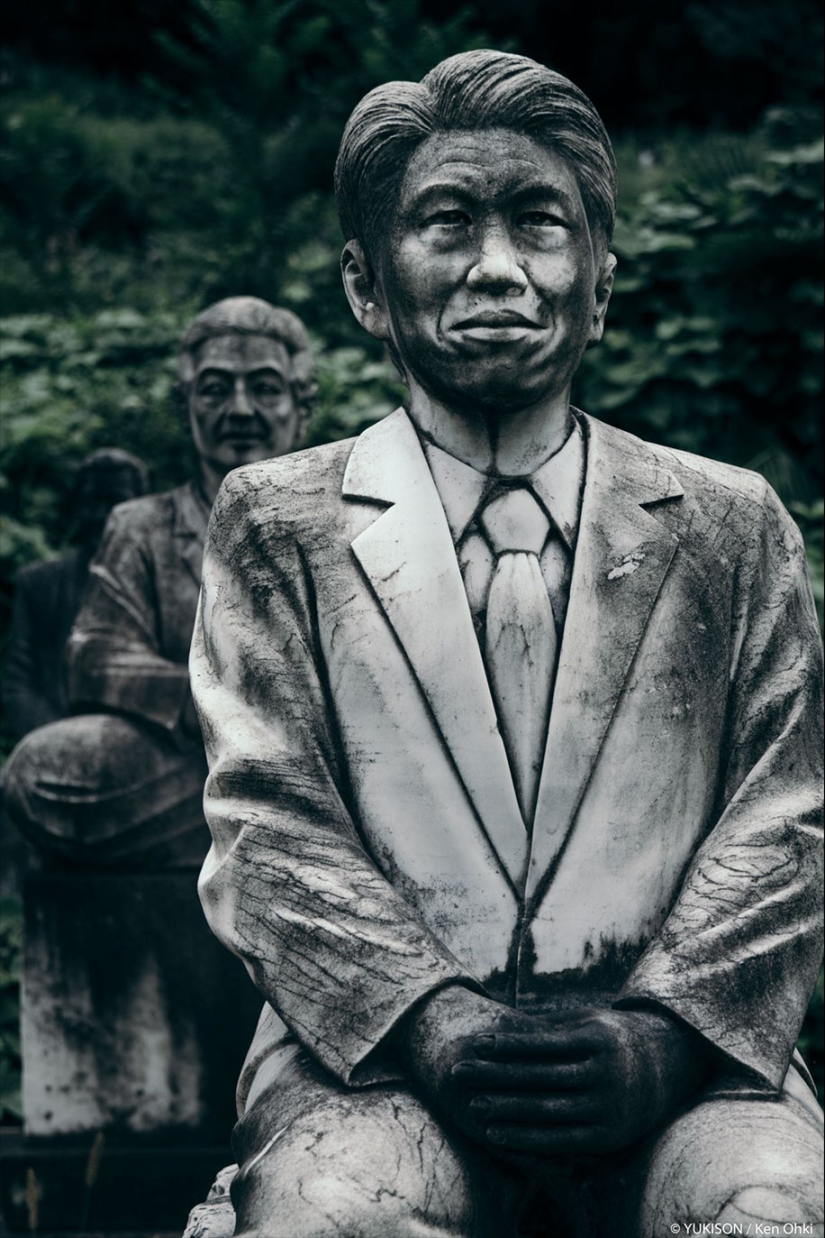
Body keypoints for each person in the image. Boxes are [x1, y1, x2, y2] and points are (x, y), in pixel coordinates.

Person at [189, 53, 823, 1237]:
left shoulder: (735, 525)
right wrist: (428, 1018)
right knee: (336, 1212)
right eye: (445, 221)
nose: (497, 267)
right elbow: (267, 817)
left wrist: (664, 1036)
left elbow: (789, 810)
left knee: (776, 1209)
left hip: (689, 1074)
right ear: (367, 285)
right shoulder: (276, 520)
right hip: (365, 1068)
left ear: (601, 282)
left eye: (538, 222)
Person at [5, 297, 315, 870]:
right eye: (215, 389)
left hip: (319, 760)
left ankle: (272, 831)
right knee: (41, 771)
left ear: (302, 404)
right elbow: (95, 658)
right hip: (190, 761)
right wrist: (221, 699)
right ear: (186, 404)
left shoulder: (346, 521)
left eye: (265, 388)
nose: (239, 409)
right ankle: (279, 838)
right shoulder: (140, 526)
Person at [2, 448, 149, 741]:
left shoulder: (166, 587)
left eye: (115, 502)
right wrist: (62, 741)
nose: (101, 515)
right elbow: (14, 685)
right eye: (92, 501)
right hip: (53, 744)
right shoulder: (39, 583)